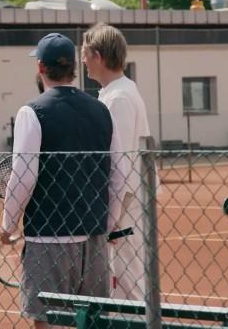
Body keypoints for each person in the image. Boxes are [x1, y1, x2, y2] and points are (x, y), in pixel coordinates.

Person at [0, 33, 127, 328]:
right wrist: (108, 224)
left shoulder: (32, 112)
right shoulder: (102, 110)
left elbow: (23, 176)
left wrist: (8, 223)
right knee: (91, 321)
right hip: (93, 237)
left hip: (48, 235)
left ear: (41, 68)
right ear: (74, 68)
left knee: (47, 321)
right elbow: (119, 175)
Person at [82, 22, 152, 301]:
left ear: (98, 56)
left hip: (125, 202)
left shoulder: (119, 98)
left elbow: (119, 162)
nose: (84, 62)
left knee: (127, 281)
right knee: (118, 281)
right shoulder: (116, 92)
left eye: (86, 55)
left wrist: (112, 215)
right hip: (125, 200)